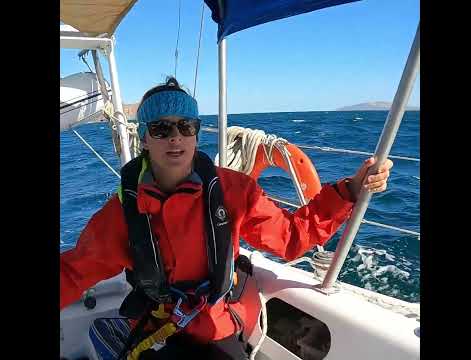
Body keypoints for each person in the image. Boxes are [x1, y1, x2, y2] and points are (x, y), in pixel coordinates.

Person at [60, 77, 393, 360]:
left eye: (185, 126)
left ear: (196, 132)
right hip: (156, 327)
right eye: (161, 128)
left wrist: (349, 189)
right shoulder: (124, 211)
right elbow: (74, 272)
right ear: (144, 138)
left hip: (221, 323)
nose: (175, 136)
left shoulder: (233, 191)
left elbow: (292, 237)